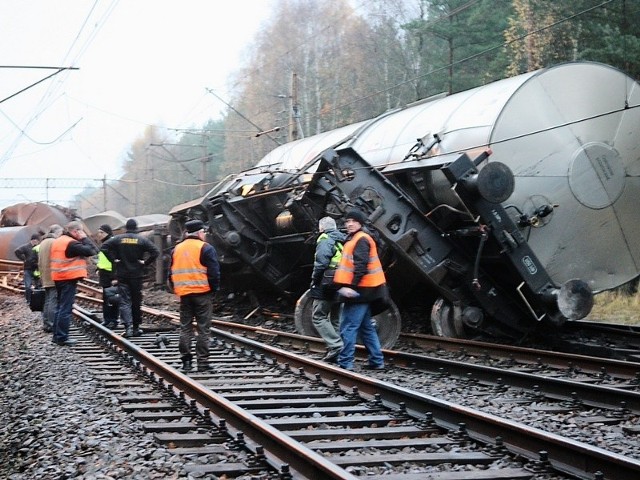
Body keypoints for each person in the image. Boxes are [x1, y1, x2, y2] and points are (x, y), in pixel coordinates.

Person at [333, 209, 387, 371]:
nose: (349, 224)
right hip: (366, 290)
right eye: (347, 221)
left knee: (348, 327)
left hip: (360, 292)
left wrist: (351, 287)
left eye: (353, 221)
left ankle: (345, 362)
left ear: (360, 223)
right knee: (366, 328)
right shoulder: (355, 238)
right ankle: (377, 361)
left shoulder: (361, 239)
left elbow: (361, 266)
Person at [169, 219, 220, 372]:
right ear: (199, 232)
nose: (204, 234)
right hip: (202, 293)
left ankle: (186, 362)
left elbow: (170, 274)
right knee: (203, 329)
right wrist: (213, 290)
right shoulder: (205, 248)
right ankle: (203, 363)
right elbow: (214, 273)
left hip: (184, 295)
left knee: (185, 328)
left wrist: (177, 290)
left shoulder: (176, 249)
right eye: (203, 232)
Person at [100, 219, 159, 338]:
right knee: (136, 301)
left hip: (122, 275)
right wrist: (145, 263)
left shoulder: (118, 238)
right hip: (137, 275)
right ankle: (136, 328)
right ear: (136, 227)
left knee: (124, 301)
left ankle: (128, 328)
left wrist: (114, 259)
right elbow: (155, 252)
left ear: (126, 227)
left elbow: (104, 248)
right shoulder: (142, 239)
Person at [51, 221, 99, 346]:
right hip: (67, 278)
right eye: (81, 231)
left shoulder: (60, 240)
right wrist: (84, 238)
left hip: (59, 277)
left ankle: (57, 336)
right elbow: (92, 251)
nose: (82, 234)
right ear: (75, 231)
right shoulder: (71, 243)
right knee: (65, 309)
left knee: (60, 307)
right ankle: (62, 337)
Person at [309, 216, 345, 362]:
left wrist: (314, 280)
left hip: (327, 282)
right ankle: (337, 351)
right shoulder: (342, 239)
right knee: (336, 317)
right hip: (341, 281)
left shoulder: (325, 238)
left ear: (322, 228)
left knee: (318, 316)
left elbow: (322, 262)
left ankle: (336, 346)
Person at [37, 224, 64, 332]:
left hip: (45, 275)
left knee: (48, 301)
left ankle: (47, 323)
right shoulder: (54, 242)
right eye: (61, 232)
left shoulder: (43, 242)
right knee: (53, 300)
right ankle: (52, 324)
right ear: (57, 232)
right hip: (53, 275)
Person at [95, 224, 119, 329]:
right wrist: (98, 269)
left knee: (112, 299)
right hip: (105, 274)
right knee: (106, 298)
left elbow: (115, 261)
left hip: (110, 275)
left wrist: (115, 277)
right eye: (99, 232)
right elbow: (103, 260)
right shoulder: (105, 244)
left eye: (102, 232)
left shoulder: (111, 244)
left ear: (108, 233)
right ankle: (107, 319)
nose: (99, 235)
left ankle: (112, 320)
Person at [15, 233, 41, 305]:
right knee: (28, 286)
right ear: (34, 240)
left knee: (38, 285)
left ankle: (37, 300)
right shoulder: (26, 247)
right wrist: (24, 259)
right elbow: (17, 251)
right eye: (37, 241)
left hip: (36, 269)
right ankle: (28, 300)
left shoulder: (38, 247)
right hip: (28, 269)